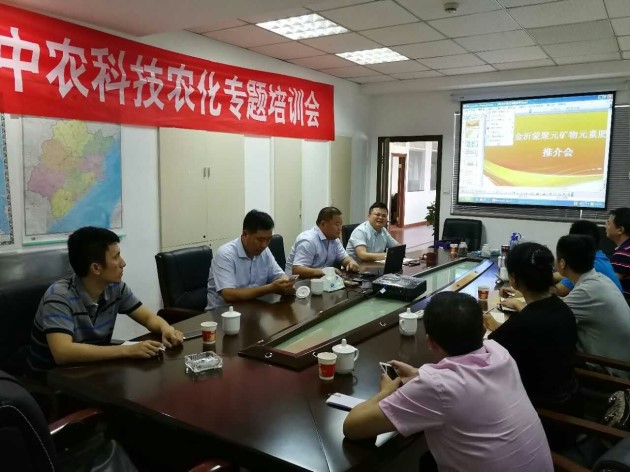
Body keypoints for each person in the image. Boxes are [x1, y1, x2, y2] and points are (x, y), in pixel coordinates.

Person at [343, 292, 552, 472]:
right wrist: (419, 375)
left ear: (430, 342)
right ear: (482, 329)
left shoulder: (437, 387)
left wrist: (386, 392)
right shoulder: (499, 352)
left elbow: (352, 427)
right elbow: (467, 383)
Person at [28, 227, 183, 372]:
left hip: (91, 370)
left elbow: (148, 317)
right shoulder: (59, 297)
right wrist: (127, 350)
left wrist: (166, 329)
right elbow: (63, 353)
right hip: (51, 379)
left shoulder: (115, 288)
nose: (123, 263)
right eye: (116, 257)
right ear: (96, 268)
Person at [486, 243, 580, 416]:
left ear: (513, 280)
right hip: (567, 397)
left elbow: (485, 356)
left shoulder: (522, 324)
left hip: (538, 410)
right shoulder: (562, 308)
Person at [556, 234, 630, 378]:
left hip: (614, 374)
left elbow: (546, 319)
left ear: (562, 263)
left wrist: (517, 303)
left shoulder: (586, 291)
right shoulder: (600, 279)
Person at [206, 210, 296, 310]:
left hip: (254, 308)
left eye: (268, 239)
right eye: (260, 239)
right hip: (223, 313)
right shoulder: (225, 254)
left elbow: (279, 275)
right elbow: (228, 294)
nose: (264, 245)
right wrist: (270, 288)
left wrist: (286, 284)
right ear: (245, 234)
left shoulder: (264, 251)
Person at [551, 219, 622, 296]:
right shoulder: (599, 257)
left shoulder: (591, 265)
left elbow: (559, 290)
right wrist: (547, 275)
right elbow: (568, 275)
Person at [285, 207, 360, 278]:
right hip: (298, 283)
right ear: (323, 224)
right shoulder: (308, 240)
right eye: (337, 224)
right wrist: (325, 271)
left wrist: (351, 262)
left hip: (321, 280)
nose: (340, 228)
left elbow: (344, 258)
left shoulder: (334, 239)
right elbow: (297, 270)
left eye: (341, 224)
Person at [606, 207, 630, 304]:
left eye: (608, 223)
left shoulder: (623, 254)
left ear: (620, 230)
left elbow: (610, 285)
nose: (605, 225)